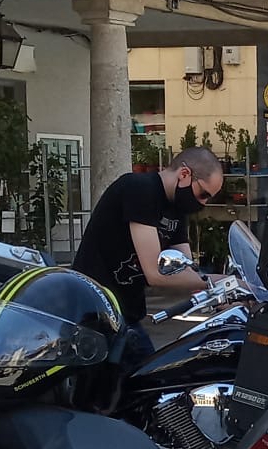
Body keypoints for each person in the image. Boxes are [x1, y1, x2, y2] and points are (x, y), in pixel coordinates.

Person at [71, 147, 222, 350]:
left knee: (151, 375)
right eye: (203, 194)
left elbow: (186, 270)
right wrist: (214, 282)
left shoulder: (177, 210)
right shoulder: (140, 189)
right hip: (91, 311)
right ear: (185, 174)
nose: (203, 203)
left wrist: (227, 293)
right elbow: (156, 273)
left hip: (125, 315)